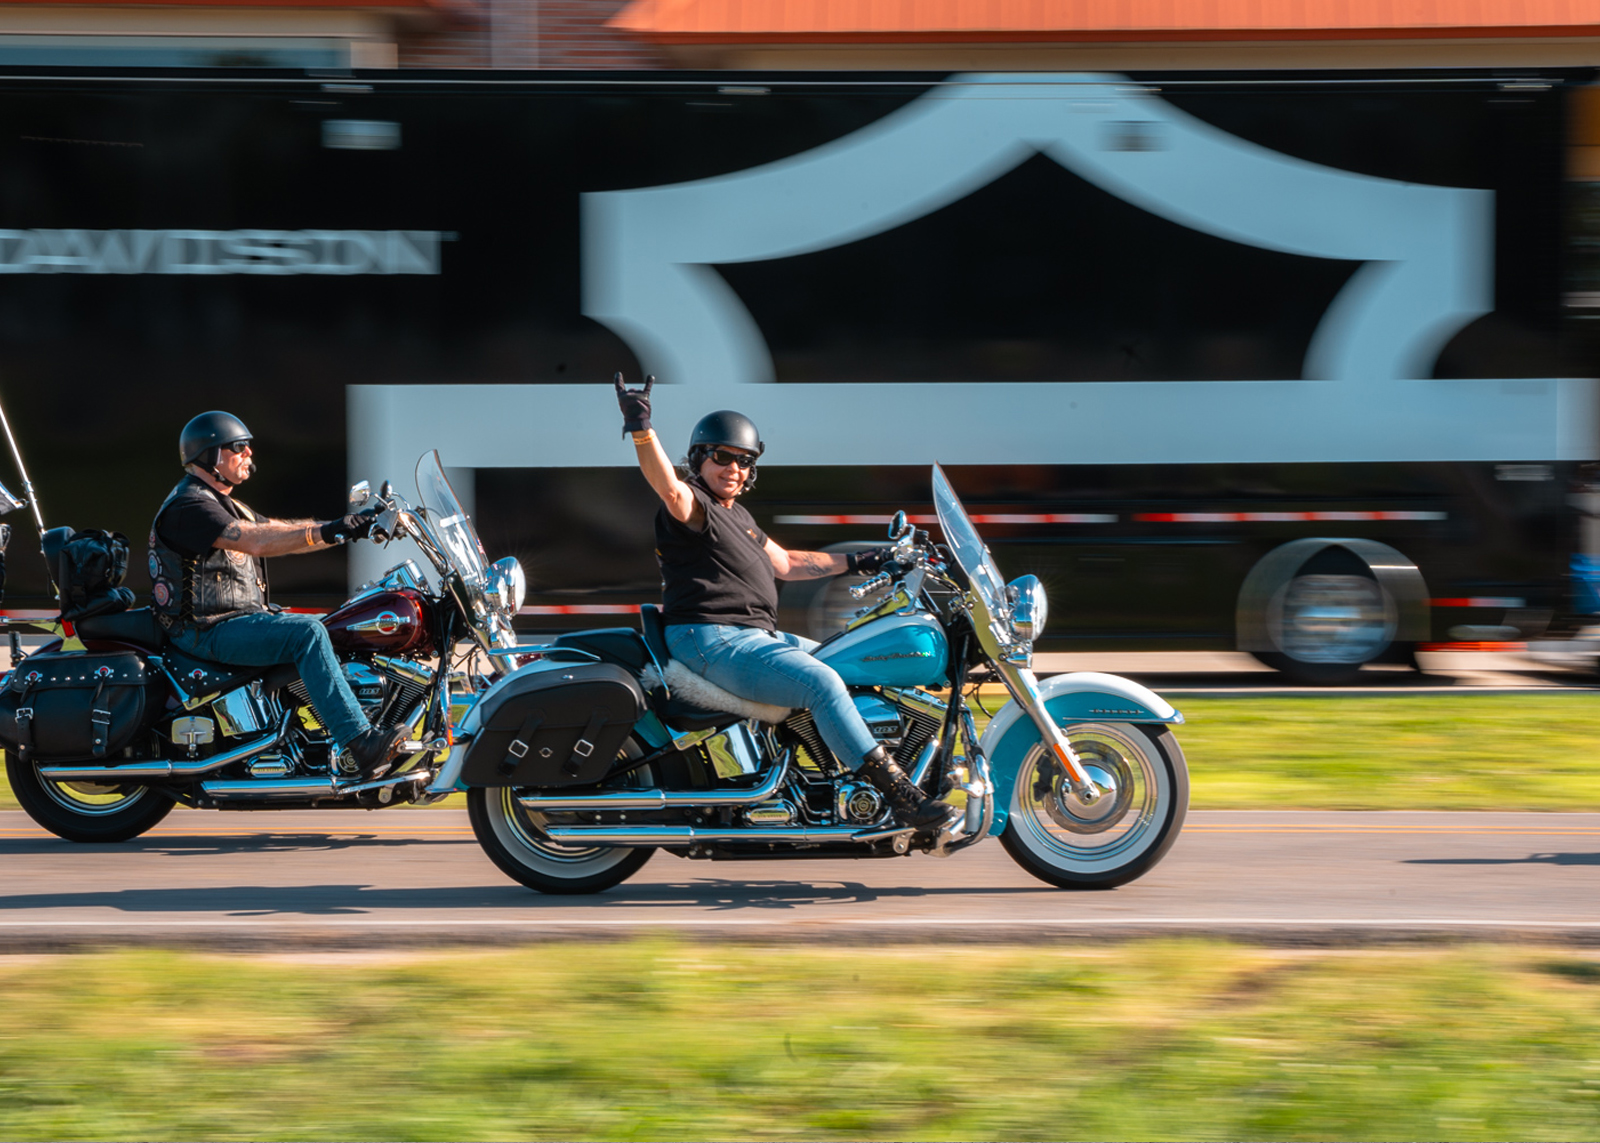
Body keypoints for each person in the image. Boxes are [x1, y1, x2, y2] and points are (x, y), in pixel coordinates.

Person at [615, 373, 953, 829]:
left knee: (852, 665)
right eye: (722, 456)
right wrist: (641, 428)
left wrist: (869, 558)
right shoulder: (693, 505)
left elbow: (788, 563)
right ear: (699, 459)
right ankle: (899, 794)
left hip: (752, 636)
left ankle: (830, 780)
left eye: (744, 461)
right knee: (822, 683)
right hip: (710, 637)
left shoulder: (741, 517)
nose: (733, 467)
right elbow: (668, 488)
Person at [147, 411, 405, 779]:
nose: (249, 453)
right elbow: (256, 540)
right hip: (206, 629)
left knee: (333, 626)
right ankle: (360, 742)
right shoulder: (190, 505)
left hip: (235, 620)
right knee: (307, 634)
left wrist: (348, 528)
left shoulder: (225, 503)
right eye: (238, 447)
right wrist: (332, 530)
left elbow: (275, 530)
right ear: (209, 455)